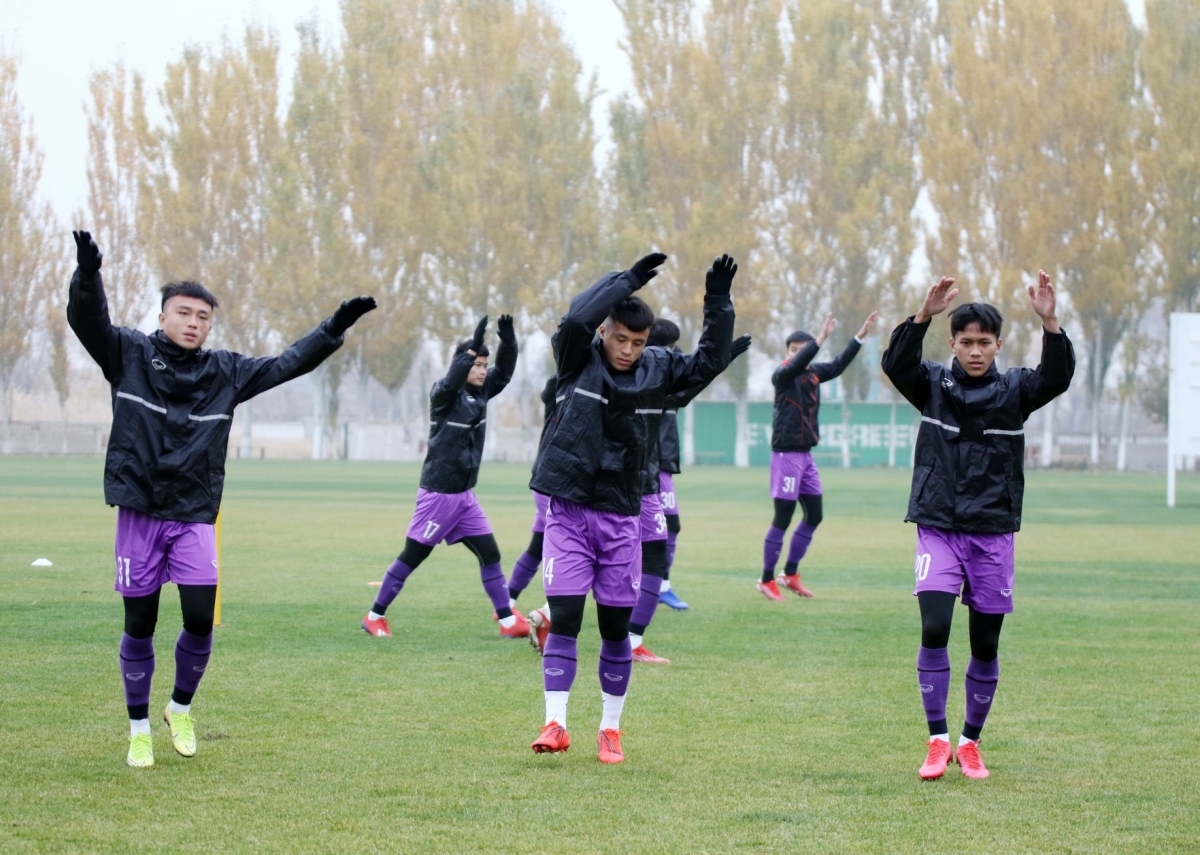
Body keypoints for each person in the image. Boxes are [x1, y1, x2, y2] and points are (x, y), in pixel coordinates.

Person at [66, 230, 375, 768]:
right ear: (162, 317)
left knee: (199, 620)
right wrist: (88, 275)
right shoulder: (128, 354)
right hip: (140, 514)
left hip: (193, 517)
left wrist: (333, 329)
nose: (193, 323)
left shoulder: (225, 372)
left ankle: (179, 709)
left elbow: (286, 364)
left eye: (203, 317)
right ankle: (138, 728)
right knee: (139, 625)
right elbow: (86, 322)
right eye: (184, 313)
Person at [528, 252, 735, 763]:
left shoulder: (658, 370)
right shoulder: (578, 356)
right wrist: (628, 281)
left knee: (616, 631)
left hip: (622, 516)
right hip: (570, 513)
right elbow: (575, 318)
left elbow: (710, 361)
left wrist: (718, 302)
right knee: (569, 619)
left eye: (637, 343)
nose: (627, 350)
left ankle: (610, 729)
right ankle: (555, 723)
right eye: (620, 338)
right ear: (605, 332)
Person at [881, 272, 1074, 780]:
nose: (974, 351)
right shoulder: (931, 387)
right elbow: (895, 364)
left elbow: (1056, 378)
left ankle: (970, 742)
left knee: (985, 644)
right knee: (935, 627)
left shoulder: (1016, 391)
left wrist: (1050, 322)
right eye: (965, 342)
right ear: (953, 342)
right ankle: (937, 739)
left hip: (992, 534)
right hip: (938, 528)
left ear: (997, 345)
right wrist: (921, 315)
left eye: (983, 343)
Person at [361, 316, 527, 640]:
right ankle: (373, 617)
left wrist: (508, 342)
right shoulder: (444, 394)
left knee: (490, 554)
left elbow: (504, 373)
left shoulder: (483, 391)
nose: (481, 370)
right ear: (462, 364)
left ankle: (508, 621)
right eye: (476, 364)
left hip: (464, 497)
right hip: (439, 494)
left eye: (483, 364)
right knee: (413, 556)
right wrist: (465, 355)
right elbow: (451, 382)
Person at [628, 321, 752, 664]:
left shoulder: (631, 374)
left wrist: (721, 358)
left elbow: (690, 380)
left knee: (643, 547)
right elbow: (689, 380)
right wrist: (720, 358)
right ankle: (552, 614)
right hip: (641, 479)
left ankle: (631, 634)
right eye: (668, 349)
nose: (671, 356)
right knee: (624, 555)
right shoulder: (647, 379)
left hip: (646, 475)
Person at [758, 310, 878, 600]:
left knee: (814, 515)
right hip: (786, 455)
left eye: (803, 350)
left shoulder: (812, 373)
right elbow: (798, 362)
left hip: (806, 457)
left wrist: (859, 337)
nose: (798, 355)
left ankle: (790, 574)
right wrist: (821, 337)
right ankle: (765, 579)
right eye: (793, 350)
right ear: (787, 354)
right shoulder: (782, 375)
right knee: (783, 518)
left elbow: (837, 366)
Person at [503, 376, 558, 630]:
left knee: (537, 546)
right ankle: (551, 611)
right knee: (563, 548)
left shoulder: (560, 389)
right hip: (555, 483)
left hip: (546, 480)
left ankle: (507, 602)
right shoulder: (566, 390)